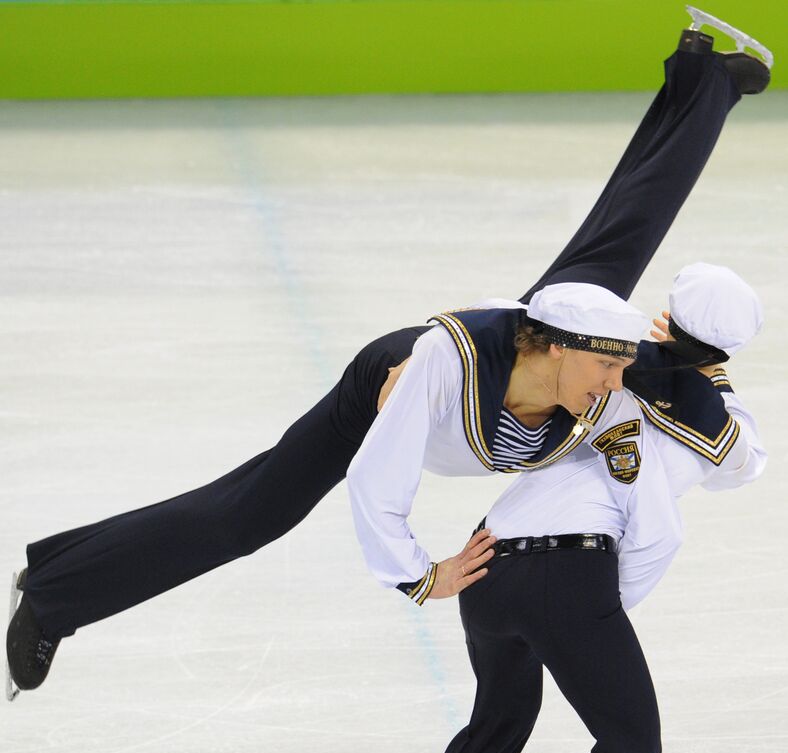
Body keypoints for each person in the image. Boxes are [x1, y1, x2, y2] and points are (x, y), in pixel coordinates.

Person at [5, 13, 768, 699]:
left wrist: (694, 357)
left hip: (526, 338)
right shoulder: (439, 371)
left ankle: (705, 78)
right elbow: (378, 480)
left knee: (624, 237)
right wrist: (417, 576)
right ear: (564, 347)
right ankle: (56, 593)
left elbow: (724, 431)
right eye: (606, 367)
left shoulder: (615, 356)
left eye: (623, 362)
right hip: (404, 373)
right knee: (250, 514)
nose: (614, 382)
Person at [363, 263, 766, 753]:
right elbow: (721, 480)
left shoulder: (602, 372)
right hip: (570, 575)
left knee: (499, 718)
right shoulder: (693, 414)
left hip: (489, 562)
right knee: (629, 746)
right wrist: (595, 619)